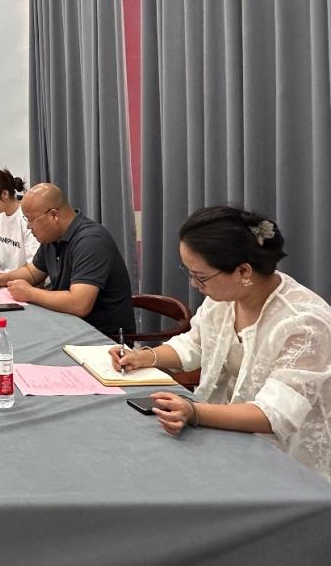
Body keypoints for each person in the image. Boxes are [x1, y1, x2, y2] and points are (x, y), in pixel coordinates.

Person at [111, 206, 331, 482]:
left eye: (201, 277)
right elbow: (194, 345)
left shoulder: (305, 323)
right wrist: (144, 357)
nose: (194, 285)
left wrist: (194, 412)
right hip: (230, 441)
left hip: (291, 465)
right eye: (189, 273)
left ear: (243, 271)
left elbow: (274, 415)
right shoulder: (224, 301)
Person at [0, 183, 135, 336]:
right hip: (68, 324)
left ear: (53, 215)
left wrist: (30, 293)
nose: (29, 227)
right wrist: (0, 279)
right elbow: (32, 272)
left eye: (30, 220)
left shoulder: (91, 241)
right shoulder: (52, 237)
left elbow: (79, 304)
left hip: (102, 337)